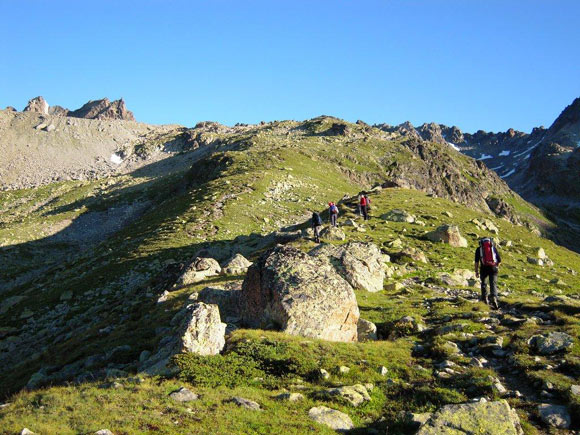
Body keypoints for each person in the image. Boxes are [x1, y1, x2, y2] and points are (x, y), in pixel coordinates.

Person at [475, 237, 502, 309]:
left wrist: (476, 271)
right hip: (493, 268)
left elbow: (476, 262)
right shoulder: (493, 248)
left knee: (484, 283)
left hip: (483, 268)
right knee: (493, 283)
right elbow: (499, 260)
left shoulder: (479, 249)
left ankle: (485, 299)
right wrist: (497, 267)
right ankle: (494, 297)